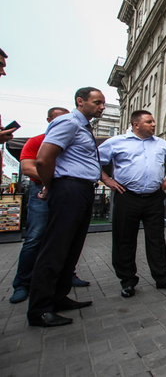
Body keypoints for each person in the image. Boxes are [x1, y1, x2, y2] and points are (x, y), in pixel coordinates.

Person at [27, 87, 105, 327]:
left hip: (81, 189)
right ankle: (39, 309)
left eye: (103, 103)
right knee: (55, 248)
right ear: (80, 101)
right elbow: (43, 158)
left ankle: (58, 297)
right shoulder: (68, 122)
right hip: (68, 188)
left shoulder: (84, 127)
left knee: (71, 247)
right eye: (97, 102)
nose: (102, 107)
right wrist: (51, 185)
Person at [10, 107, 91, 304]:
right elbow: (30, 166)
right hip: (42, 194)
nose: (64, 122)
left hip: (65, 194)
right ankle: (22, 283)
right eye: (58, 119)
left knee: (65, 238)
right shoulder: (38, 141)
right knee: (35, 238)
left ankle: (65, 279)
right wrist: (53, 181)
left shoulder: (75, 137)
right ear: (49, 121)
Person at [99, 110, 166, 298]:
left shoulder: (162, 144)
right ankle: (127, 281)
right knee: (124, 239)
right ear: (136, 124)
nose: (154, 124)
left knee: (157, 239)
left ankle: (163, 278)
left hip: (154, 197)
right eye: (149, 121)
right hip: (127, 196)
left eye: (153, 121)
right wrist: (107, 180)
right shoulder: (116, 142)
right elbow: (94, 161)